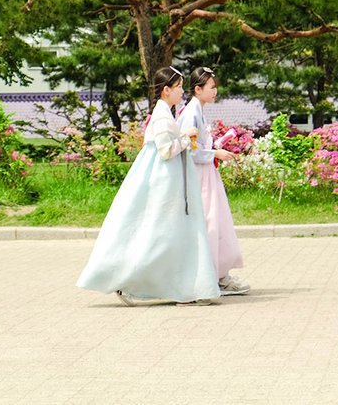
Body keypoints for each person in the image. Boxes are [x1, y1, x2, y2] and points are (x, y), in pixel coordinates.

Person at [76, 66, 220, 306]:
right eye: (178, 87)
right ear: (166, 90)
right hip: (165, 184)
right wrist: (187, 136)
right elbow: (166, 150)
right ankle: (138, 283)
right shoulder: (163, 115)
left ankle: (183, 287)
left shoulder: (164, 112)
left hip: (170, 182)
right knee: (161, 237)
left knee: (169, 237)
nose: (181, 92)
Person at [178, 67, 251, 296]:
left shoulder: (198, 110)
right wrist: (214, 154)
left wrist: (214, 148)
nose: (215, 91)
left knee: (215, 221)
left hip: (206, 173)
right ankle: (214, 276)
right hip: (200, 176)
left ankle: (218, 274)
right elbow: (190, 151)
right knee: (210, 222)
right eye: (211, 87)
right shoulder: (191, 113)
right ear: (198, 89)